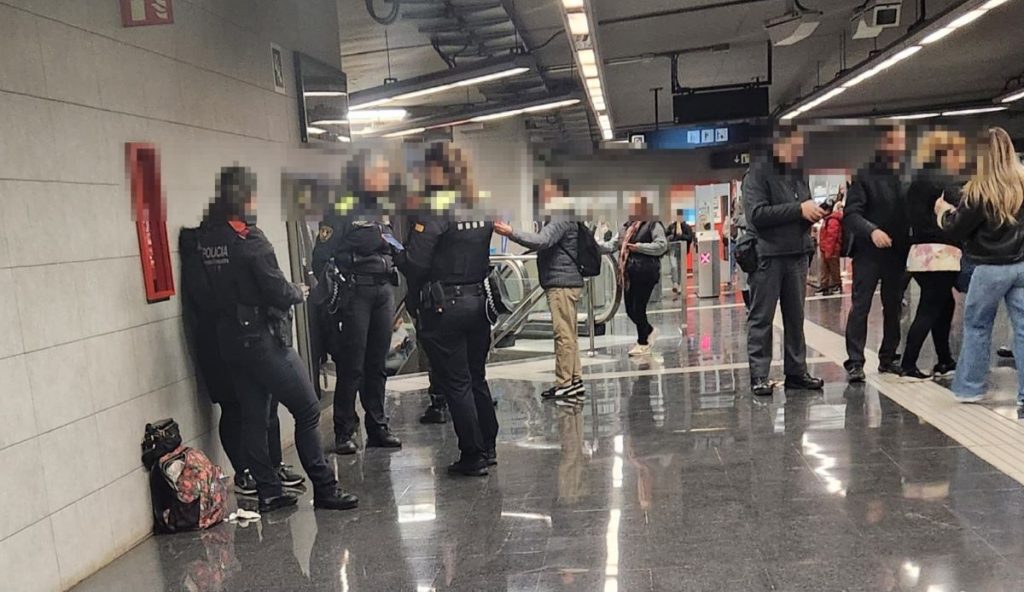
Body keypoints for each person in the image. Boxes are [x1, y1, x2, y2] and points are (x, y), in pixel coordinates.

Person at [198, 165, 357, 513]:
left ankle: (269, 491)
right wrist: (297, 292)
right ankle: (325, 487)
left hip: (230, 339)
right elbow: (275, 289)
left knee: (254, 416)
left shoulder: (208, 238)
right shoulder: (250, 239)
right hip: (262, 339)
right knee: (307, 409)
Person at [396, 143, 499, 476]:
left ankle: (473, 454)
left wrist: (397, 253)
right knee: (477, 376)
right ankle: (489, 445)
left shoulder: (436, 210)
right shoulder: (480, 205)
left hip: (445, 307)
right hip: (479, 301)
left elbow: (415, 263)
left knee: (457, 382)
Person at [179, 226, 305, 496]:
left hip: (247, 334)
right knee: (235, 407)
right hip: (219, 338)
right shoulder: (202, 248)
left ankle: (273, 466)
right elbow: (206, 298)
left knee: (267, 404)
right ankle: (245, 472)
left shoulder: (236, 241)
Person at [313, 152, 402, 455]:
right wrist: (335, 292)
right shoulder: (341, 209)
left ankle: (377, 426)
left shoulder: (381, 208)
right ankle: (344, 430)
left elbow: (393, 246)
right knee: (352, 366)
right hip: (355, 293)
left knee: (377, 363)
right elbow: (320, 257)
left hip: (382, 291)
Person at [935, 127, 1024, 403]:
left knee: (977, 326)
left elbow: (956, 228)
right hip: (1021, 265)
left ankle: (970, 388)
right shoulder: (1022, 183)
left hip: (989, 269)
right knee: (1023, 329)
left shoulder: (979, 190)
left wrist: (943, 213)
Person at [742, 126, 825, 397]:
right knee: (762, 317)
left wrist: (812, 213)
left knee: (796, 317)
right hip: (767, 256)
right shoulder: (757, 174)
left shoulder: (798, 175)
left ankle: (797, 372)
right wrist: (799, 209)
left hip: (797, 253)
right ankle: (759, 375)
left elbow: (802, 209)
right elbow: (757, 214)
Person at [494, 178, 585, 401]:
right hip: (565, 282)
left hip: (562, 284)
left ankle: (564, 382)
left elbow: (542, 240)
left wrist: (511, 232)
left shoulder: (561, 216)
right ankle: (574, 380)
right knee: (569, 334)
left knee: (563, 334)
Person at [842, 125, 911, 382]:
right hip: (868, 253)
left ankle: (889, 357)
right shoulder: (864, 175)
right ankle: (855, 361)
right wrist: (872, 231)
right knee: (861, 305)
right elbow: (851, 215)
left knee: (894, 305)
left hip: (897, 252)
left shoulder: (907, 175)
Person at [899, 130, 967, 380]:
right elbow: (955, 216)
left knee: (943, 303)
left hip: (920, 254)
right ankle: (909, 364)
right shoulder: (942, 183)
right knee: (929, 307)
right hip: (941, 253)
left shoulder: (917, 181)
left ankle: (944, 359)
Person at [599, 196, 668, 357]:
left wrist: (639, 247)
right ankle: (649, 331)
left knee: (638, 308)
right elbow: (612, 245)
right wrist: (594, 247)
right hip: (629, 273)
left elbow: (661, 245)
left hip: (645, 272)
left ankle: (642, 342)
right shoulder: (626, 227)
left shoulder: (652, 224)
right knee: (630, 309)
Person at [817, 195, 844, 295]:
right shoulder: (828, 219)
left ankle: (836, 285)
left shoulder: (832, 220)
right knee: (825, 268)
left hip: (831, 249)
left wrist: (828, 250)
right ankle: (825, 286)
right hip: (827, 249)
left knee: (833, 268)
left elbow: (832, 237)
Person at [666, 213, 693, 298]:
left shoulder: (687, 227)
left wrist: (681, 236)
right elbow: (665, 235)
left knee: (680, 267)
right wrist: (670, 237)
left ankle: (680, 284)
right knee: (673, 266)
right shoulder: (671, 227)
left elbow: (689, 238)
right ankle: (675, 283)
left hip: (682, 249)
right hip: (672, 249)